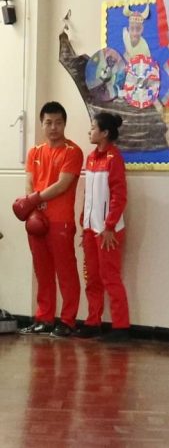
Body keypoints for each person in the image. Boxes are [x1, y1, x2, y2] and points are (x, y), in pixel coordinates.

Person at [12, 102, 84, 338]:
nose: (54, 127)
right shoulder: (35, 152)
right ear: (42, 124)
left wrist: (33, 199)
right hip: (37, 220)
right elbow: (29, 181)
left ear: (64, 124)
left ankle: (68, 321)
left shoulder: (73, 151)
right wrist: (33, 208)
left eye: (58, 122)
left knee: (66, 272)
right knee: (42, 271)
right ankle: (44, 318)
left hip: (60, 221)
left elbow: (62, 184)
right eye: (49, 122)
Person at [77, 112, 131, 342]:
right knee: (92, 278)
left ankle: (121, 327)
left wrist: (109, 226)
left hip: (108, 231)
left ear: (105, 133)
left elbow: (119, 195)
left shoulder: (114, 158)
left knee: (110, 277)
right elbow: (89, 195)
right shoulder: (90, 158)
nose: (89, 131)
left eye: (93, 128)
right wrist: (84, 222)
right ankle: (93, 321)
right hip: (90, 229)